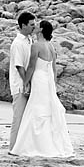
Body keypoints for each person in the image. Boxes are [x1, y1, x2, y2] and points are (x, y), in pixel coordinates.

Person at [9, 20, 74, 158]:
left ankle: (32, 145)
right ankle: (46, 143)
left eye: (37, 26)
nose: (35, 27)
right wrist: (53, 85)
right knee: (46, 109)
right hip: (47, 80)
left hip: (38, 79)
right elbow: (54, 69)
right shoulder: (50, 46)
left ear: (41, 30)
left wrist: (26, 83)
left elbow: (31, 67)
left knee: (36, 109)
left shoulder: (36, 46)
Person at [9, 11, 37, 151]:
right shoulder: (18, 43)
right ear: (23, 25)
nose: (34, 27)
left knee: (27, 119)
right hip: (20, 86)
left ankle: (22, 147)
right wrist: (27, 83)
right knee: (18, 119)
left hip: (26, 84)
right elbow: (19, 66)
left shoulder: (29, 40)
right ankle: (13, 148)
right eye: (31, 25)